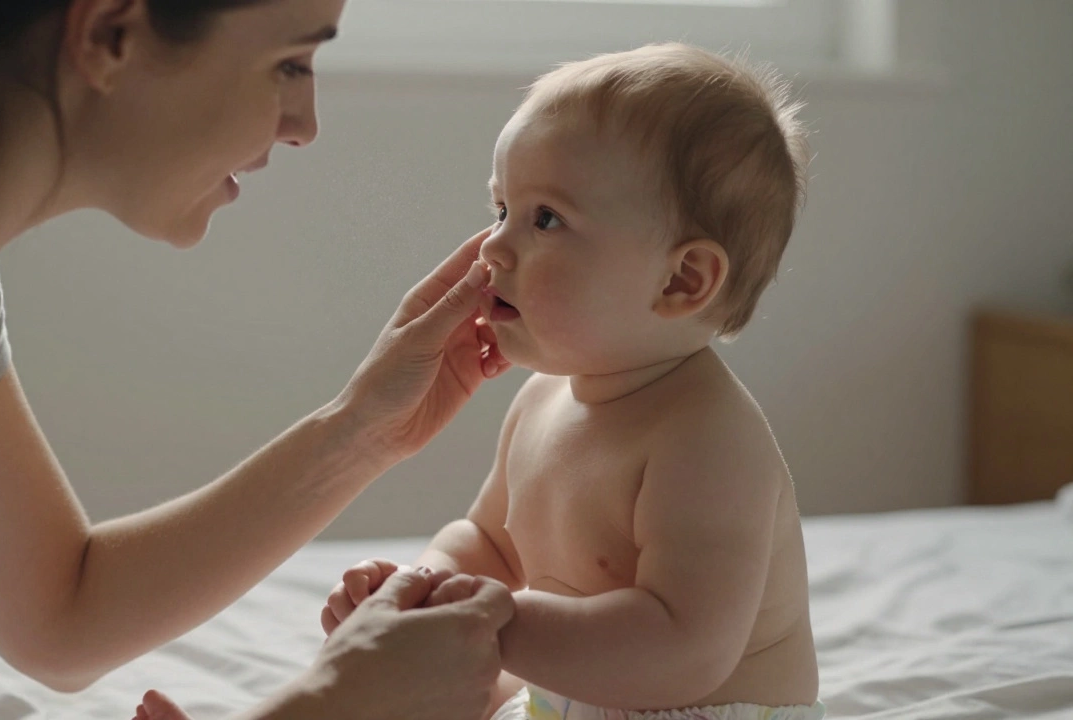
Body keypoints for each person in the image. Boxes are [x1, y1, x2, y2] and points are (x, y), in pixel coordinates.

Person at [0, 1, 517, 718]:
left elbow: (59, 616)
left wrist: (363, 430)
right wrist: (337, 703)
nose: (305, 125)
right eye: (290, 64)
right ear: (111, 33)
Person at [319, 43, 824, 720]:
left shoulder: (708, 440)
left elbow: (685, 648)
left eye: (545, 219)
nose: (492, 247)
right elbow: (491, 542)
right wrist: (422, 593)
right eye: (502, 210)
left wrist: (498, 625)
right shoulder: (542, 402)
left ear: (681, 281)